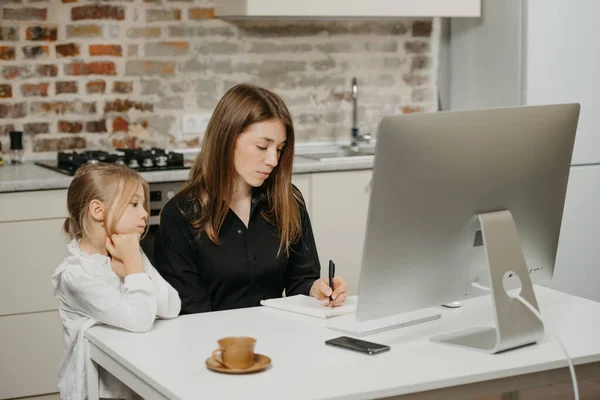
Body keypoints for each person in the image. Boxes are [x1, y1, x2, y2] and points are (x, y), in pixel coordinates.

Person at [153, 83, 349, 315]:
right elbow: (190, 313)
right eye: (262, 146)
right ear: (227, 140)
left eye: (279, 149)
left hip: (279, 339)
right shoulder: (180, 216)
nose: (273, 161)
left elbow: (300, 280)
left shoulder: (289, 200)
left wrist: (315, 290)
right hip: (213, 346)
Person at [51, 163, 181, 400]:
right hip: (98, 392)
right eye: (133, 204)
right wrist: (133, 266)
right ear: (98, 210)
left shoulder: (129, 251)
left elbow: (172, 307)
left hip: (133, 379)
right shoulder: (77, 275)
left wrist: (133, 266)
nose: (144, 213)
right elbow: (140, 319)